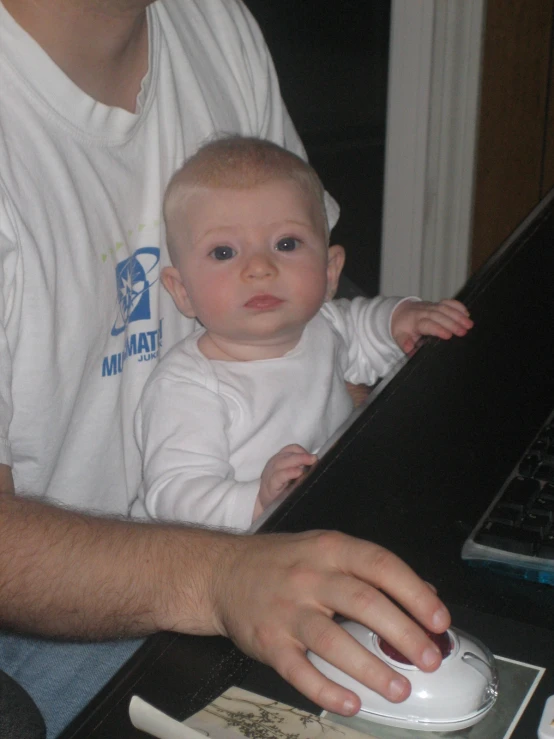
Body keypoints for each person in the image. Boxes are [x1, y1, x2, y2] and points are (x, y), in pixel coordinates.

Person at [0, 0, 452, 735]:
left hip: (264, 551)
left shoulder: (211, 20)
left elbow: (312, 320)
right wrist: (222, 577)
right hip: (50, 624)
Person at [132, 136, 473, 529]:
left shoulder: (323, 326)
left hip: (322, 519)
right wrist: (257, 499)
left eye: (286, 243)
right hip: (219, 562)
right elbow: (174, 494)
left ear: (330, 272)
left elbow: (365, 324)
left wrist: (405, 318)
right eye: (223, 252)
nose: (259, 267)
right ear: (182, 290)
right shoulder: (189, 385)